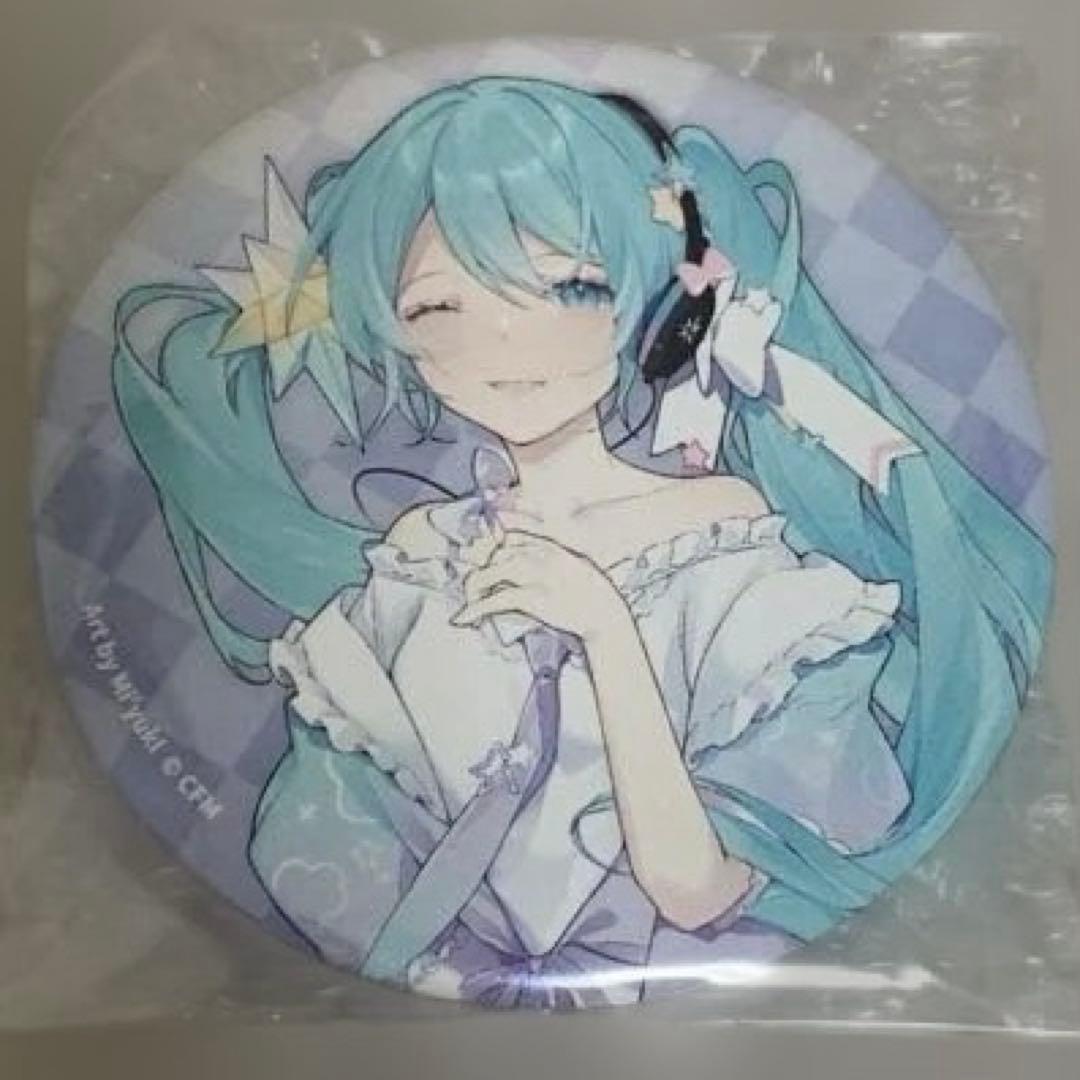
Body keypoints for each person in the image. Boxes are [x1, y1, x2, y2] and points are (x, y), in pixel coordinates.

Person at [112, 76, 1052, 1007]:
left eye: (571, 286)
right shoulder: (417, 561)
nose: (505, 344)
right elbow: (322, 861)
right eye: (439, 307)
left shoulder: (734, 560)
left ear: (661, 304)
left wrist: (606, 631)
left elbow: (702, 892)